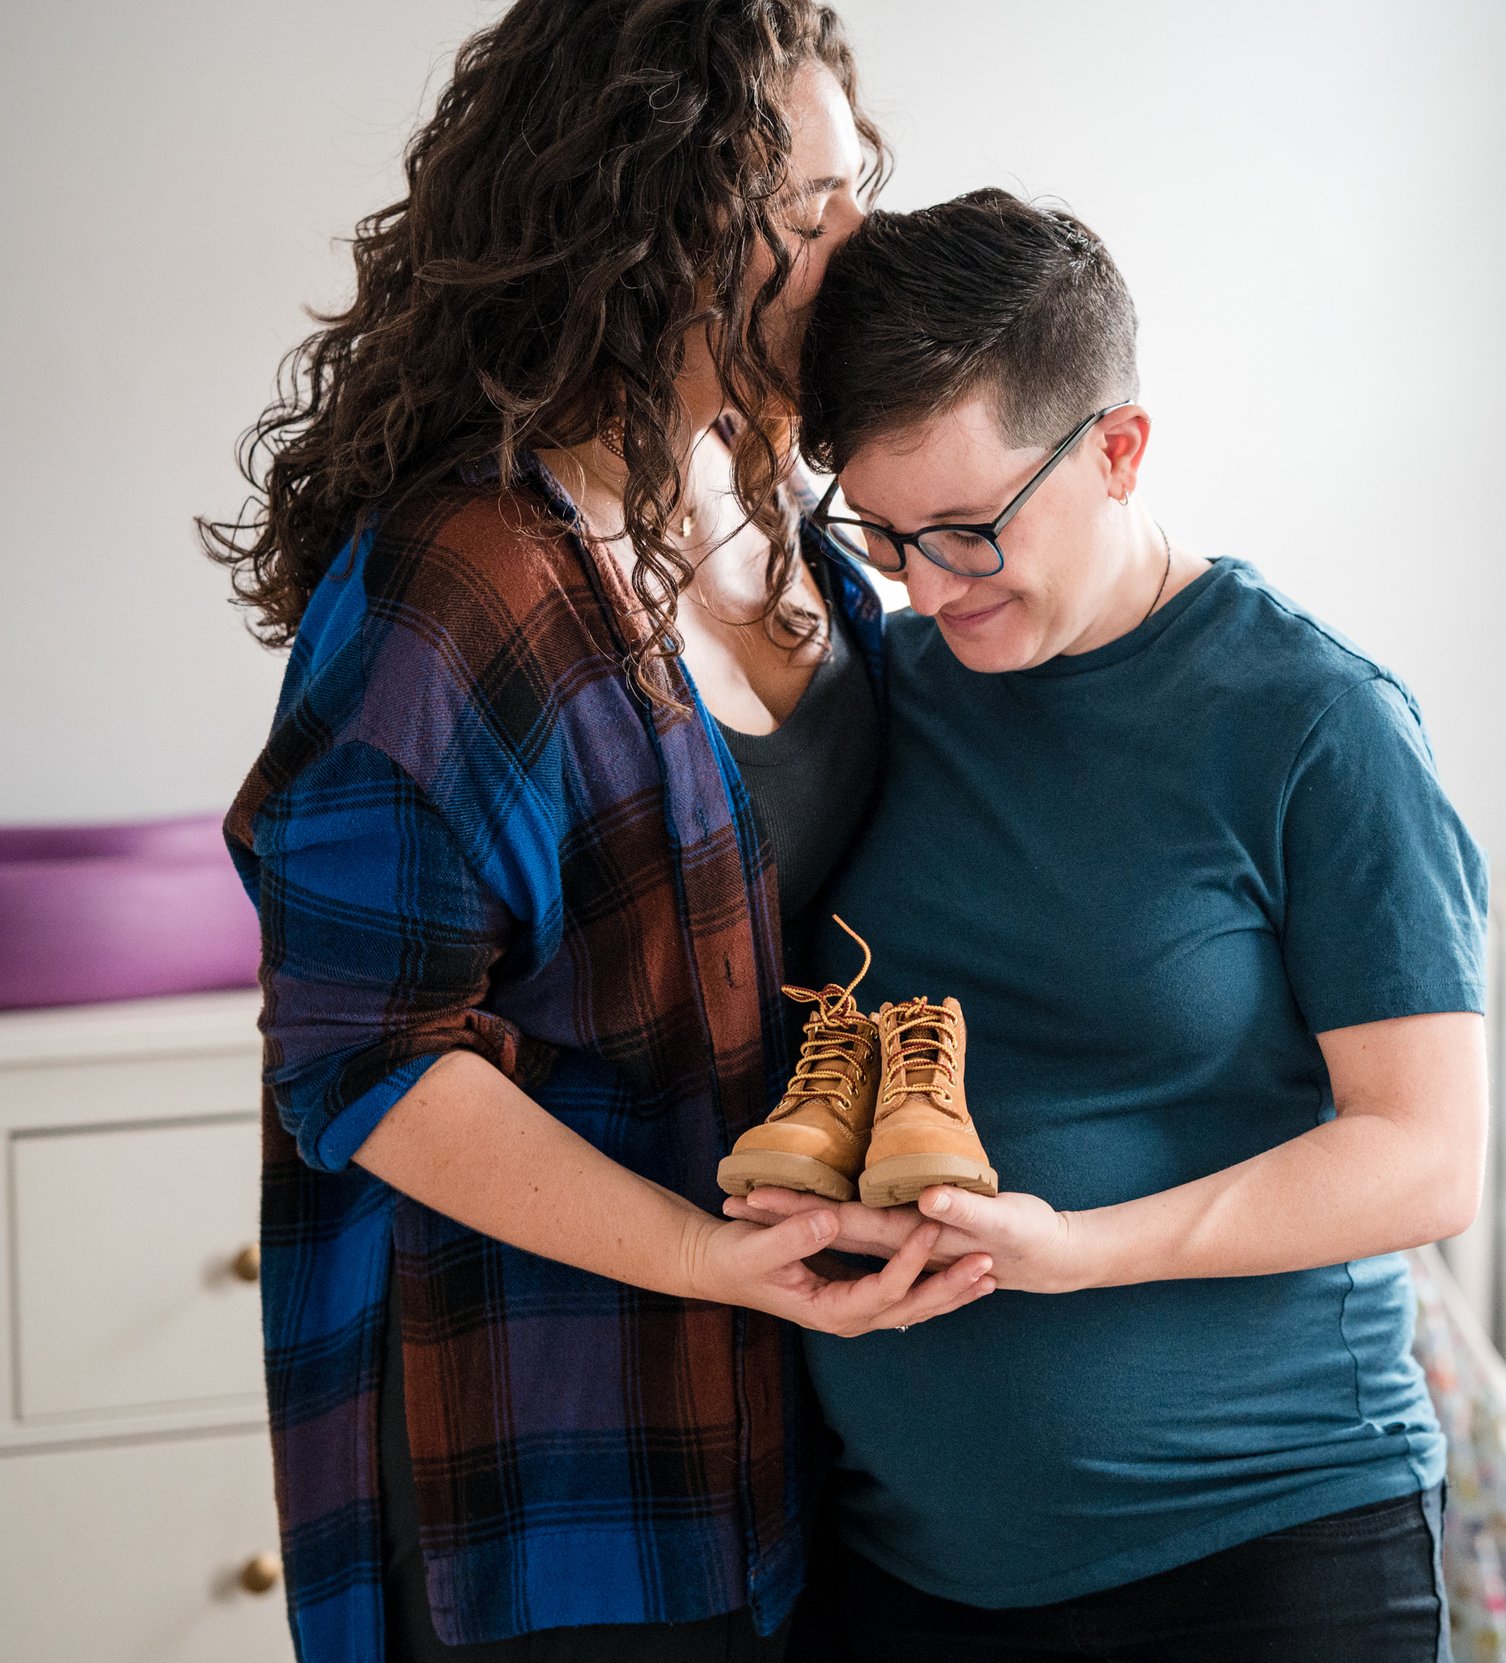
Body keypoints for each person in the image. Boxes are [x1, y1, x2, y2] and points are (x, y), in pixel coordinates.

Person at [204, 6, 993, 1660]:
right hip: (547, 1474)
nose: (861, 249)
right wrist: (715, 1262)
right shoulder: (458, 584)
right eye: (809, 214)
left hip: (778, 1424)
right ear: (658, 213)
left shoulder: (756, 482)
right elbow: (367, 1059)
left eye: (859, 193)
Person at [731, 187, 1491, 1661]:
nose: (929, 584)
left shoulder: (1315, 726)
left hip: (1261, 1559)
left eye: (969, 529)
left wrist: (1075, 1248)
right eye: (885, 536)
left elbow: (1423, 1157)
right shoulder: (874, 696)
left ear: (1119, 448)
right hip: (905, 1567)